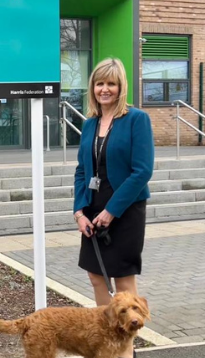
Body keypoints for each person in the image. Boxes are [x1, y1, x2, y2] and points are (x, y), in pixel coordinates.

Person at [73, 58, 154, 358]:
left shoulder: (136, 119)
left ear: (121, 87)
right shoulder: (89, 123)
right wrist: (80, 211)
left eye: (111, 83)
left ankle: (126, 351)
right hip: (92, 208)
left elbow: (142, 171)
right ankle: (108, 343)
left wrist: (111, 211)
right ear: (93, 88)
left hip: (125, 208)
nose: (104, 89)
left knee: (122, 280)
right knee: (95, 275)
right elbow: (82, 170)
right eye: (99, 83)